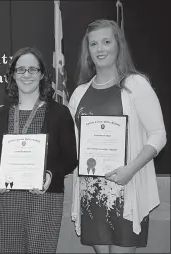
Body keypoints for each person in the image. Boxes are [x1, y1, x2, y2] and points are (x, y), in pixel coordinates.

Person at [69, 19, 167, 253]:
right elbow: (73, 144)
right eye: (94, 44)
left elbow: (158, 135)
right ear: (88, 50)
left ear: (118, 45)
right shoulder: (79, 93)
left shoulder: (136, 85)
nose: (100, 49)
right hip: (92, 193)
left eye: (106, 42)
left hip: (126, 190)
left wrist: (130, 169)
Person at [0, 47, 78, 253]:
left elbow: (71, 158)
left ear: (42, 74)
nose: (26, 75)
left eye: (32, 70)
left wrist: (50, 175)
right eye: (20, 70)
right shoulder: (1, 115)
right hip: (8, 200)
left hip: (45, 198)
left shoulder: (60, 113)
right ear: (12, 75)